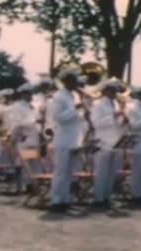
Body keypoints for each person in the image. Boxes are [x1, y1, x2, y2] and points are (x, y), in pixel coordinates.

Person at [49, 67, 85, 212]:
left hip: (74, 138)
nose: (77, 82)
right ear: (66, 81)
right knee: (61, 172)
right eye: (74, 79)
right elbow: (58, 118)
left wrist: (82, 110)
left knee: (70, 173)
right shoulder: (58, 96)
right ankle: (56, 201)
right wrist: (75, 108)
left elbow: (77, 118)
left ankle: (66, 201)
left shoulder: (74, 95)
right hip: (63, 139)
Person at [90, 77, 126, 209]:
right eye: (111, 90)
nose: (114, 93)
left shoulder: (115, 104)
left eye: (115, 90)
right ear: (105, 90)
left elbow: (117, 123)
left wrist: (123, 120)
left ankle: (107, 197)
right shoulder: (98, 104)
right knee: (101, 172)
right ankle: (99, 199)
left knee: (111, 172)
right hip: (102, 141)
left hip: (114, 141)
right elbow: (96, 123)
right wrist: (114, 116)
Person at [10, 82, 42, 193]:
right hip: (24, 137)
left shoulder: (31, 106)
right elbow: (19, 123)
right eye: (28, 94)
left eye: (31, 93)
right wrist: (35, 121)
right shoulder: (17, 107)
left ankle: (32, 185)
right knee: (22, 164)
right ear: (23, 94)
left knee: (34, 164)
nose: (31, 96)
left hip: (34, 137)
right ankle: (22, 186)